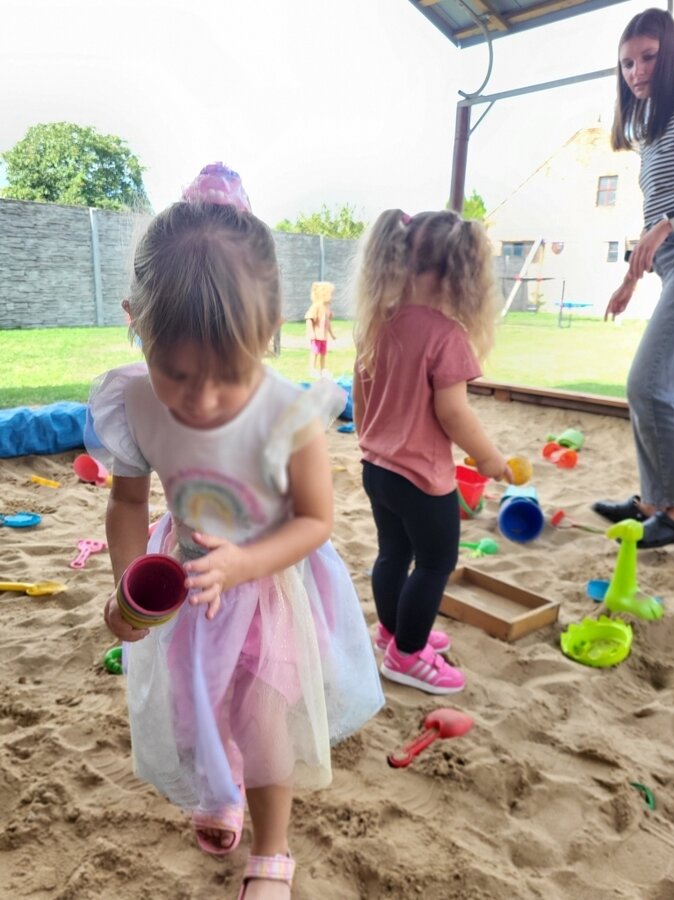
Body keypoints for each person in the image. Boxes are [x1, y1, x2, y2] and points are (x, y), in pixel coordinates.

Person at [89, 162, 384, 900]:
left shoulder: (290, 413)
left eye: (228, 373)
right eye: (176, 372)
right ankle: (221, 790)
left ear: (270, 330)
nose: (202, 399)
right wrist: (128, 582)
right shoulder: (134, 402)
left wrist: (244, 565)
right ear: (136, 322)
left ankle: (272, 853)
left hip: (265, 588)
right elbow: (127, 502)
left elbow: (316, 520)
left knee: (260, 720)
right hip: (187, 587)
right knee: (200, 705)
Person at [351, 208, 513, 695]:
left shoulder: (378, 322)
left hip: (377, 469)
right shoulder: (446, 335)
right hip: (422, 480)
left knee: (392, 553)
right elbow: (454, 414)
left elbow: (359, 394)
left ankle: (393, 632)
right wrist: (490, 458)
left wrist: (372, 439)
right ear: (460, 273)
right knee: (435, 563)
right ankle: (407, 654)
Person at [593, 8, 674, 549]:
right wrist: (629, 280)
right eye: (627, 63)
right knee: (655, 389)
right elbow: (654, 221)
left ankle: (672, 511)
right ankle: (652, 501)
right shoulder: (651, 132)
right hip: (668, 267)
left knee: (645, 385)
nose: (637, 71)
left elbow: (666, 219)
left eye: (648, 57)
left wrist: (669, 223)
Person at [304, 281, 336, 377]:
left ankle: (323, 369)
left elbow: (328, 322)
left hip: (323, 337)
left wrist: (332, 334)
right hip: (316, 336)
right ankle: (312, 369)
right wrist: (311, 332)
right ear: (323, 294)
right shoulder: (316, 306)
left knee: (323, 353)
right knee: (314, 352)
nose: (332, 297)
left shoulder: (327, 308)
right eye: (331, 294)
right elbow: (309, 318)